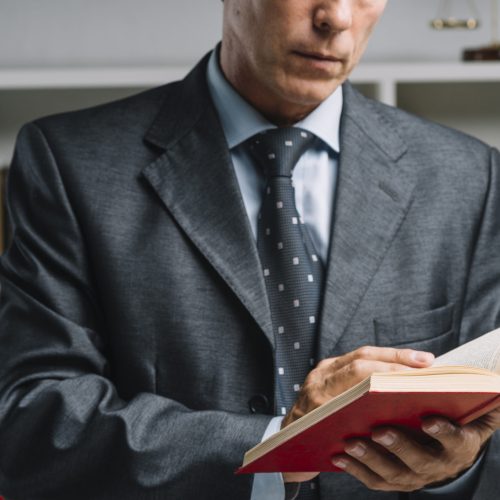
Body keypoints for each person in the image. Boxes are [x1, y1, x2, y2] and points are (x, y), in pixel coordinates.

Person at [0, 0, 499, 499]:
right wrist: (276, 443)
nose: (337, 17)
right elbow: (32, 420)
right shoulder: (70, 162)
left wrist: (454, 467)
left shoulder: (469, 178)